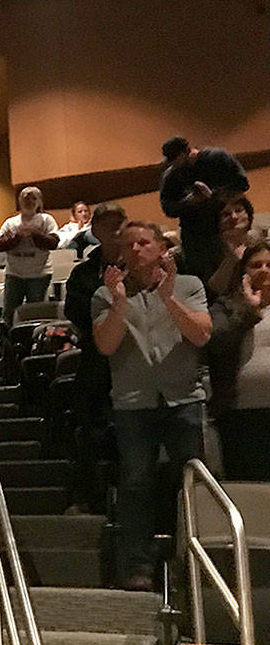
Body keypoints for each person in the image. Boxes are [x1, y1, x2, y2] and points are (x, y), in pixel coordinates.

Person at [92, 222, 210, 591]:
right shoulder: (106, 294)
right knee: (136, 483)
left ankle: (194, 563)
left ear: (162, 248)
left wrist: (169, 297)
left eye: (144, 242)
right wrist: (120, 303)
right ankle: (137, 566)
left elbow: (200, 334)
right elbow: (106, 346)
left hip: (183, 399)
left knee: (191, 484)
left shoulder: (189, 285)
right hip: (133, 406)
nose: (136, 249)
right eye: (128, 245)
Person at [62, 203, 127, 514]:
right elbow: (77, 314)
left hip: (135, 363)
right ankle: (90, 498)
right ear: (96, 232)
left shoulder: (141, 265)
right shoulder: (83, 273)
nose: (116, 231)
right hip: (96, 363)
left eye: (121, 224)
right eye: (109, 225)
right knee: (89, 433)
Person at [207, 240, 270, 480]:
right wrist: (250, 310)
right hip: (239, 413)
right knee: (247, 485)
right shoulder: (226, 307)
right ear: (243, 272)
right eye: (256, 265)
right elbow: (217, 342)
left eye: (269, 264)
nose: (264, 269)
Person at [160, 136, 249, 287]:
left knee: (232, 274)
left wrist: (212, 195)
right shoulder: (172, 174)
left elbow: (242, 184)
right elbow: (168, 208)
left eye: (175, 158)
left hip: (225, 226)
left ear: (187, 151)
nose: (173, 164)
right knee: (200, 280)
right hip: (194, 234)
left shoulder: (217, 158)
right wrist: (188, 203)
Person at [0, 186, 60, 357]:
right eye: (25, 198)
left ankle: (33, 347)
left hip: (39, 274)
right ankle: (2, 347)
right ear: (19, 202)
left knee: (34, 313)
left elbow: (53, 242)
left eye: (33, 198)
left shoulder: (46, 220)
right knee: (9, 313)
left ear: (39, 202)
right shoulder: (11, 223)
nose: (29, 201)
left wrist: (35, 234)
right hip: (15, 274)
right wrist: (17, 237)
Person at [206, 194, 257, 299]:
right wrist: (232, 258)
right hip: (224, 305)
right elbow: (216, 288)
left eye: (238, 210)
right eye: (226, 214)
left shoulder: (256, 243)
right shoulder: (211, 248)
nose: (234, 217)